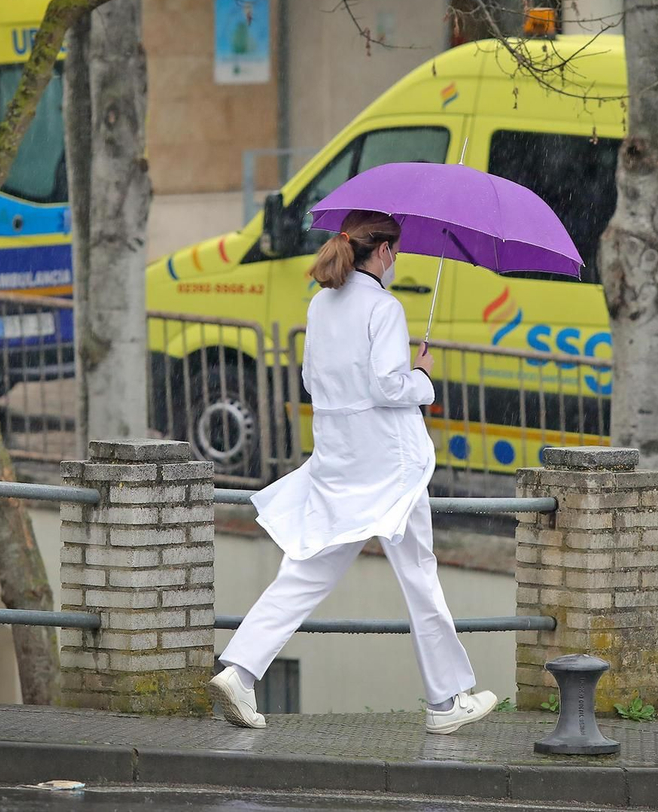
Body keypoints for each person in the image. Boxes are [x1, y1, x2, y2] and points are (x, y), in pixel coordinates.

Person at [207, 210, 496, 734]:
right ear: (382, 252)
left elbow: (311, 380)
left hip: (339, 463)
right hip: (391, 468)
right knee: (419, 577)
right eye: (397, 251)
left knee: (303, 572)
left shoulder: (321, 304)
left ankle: (240, 672)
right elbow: (388, 388)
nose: (397, 260)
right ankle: (446, 701)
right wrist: (423, 378)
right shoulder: (384, 308)